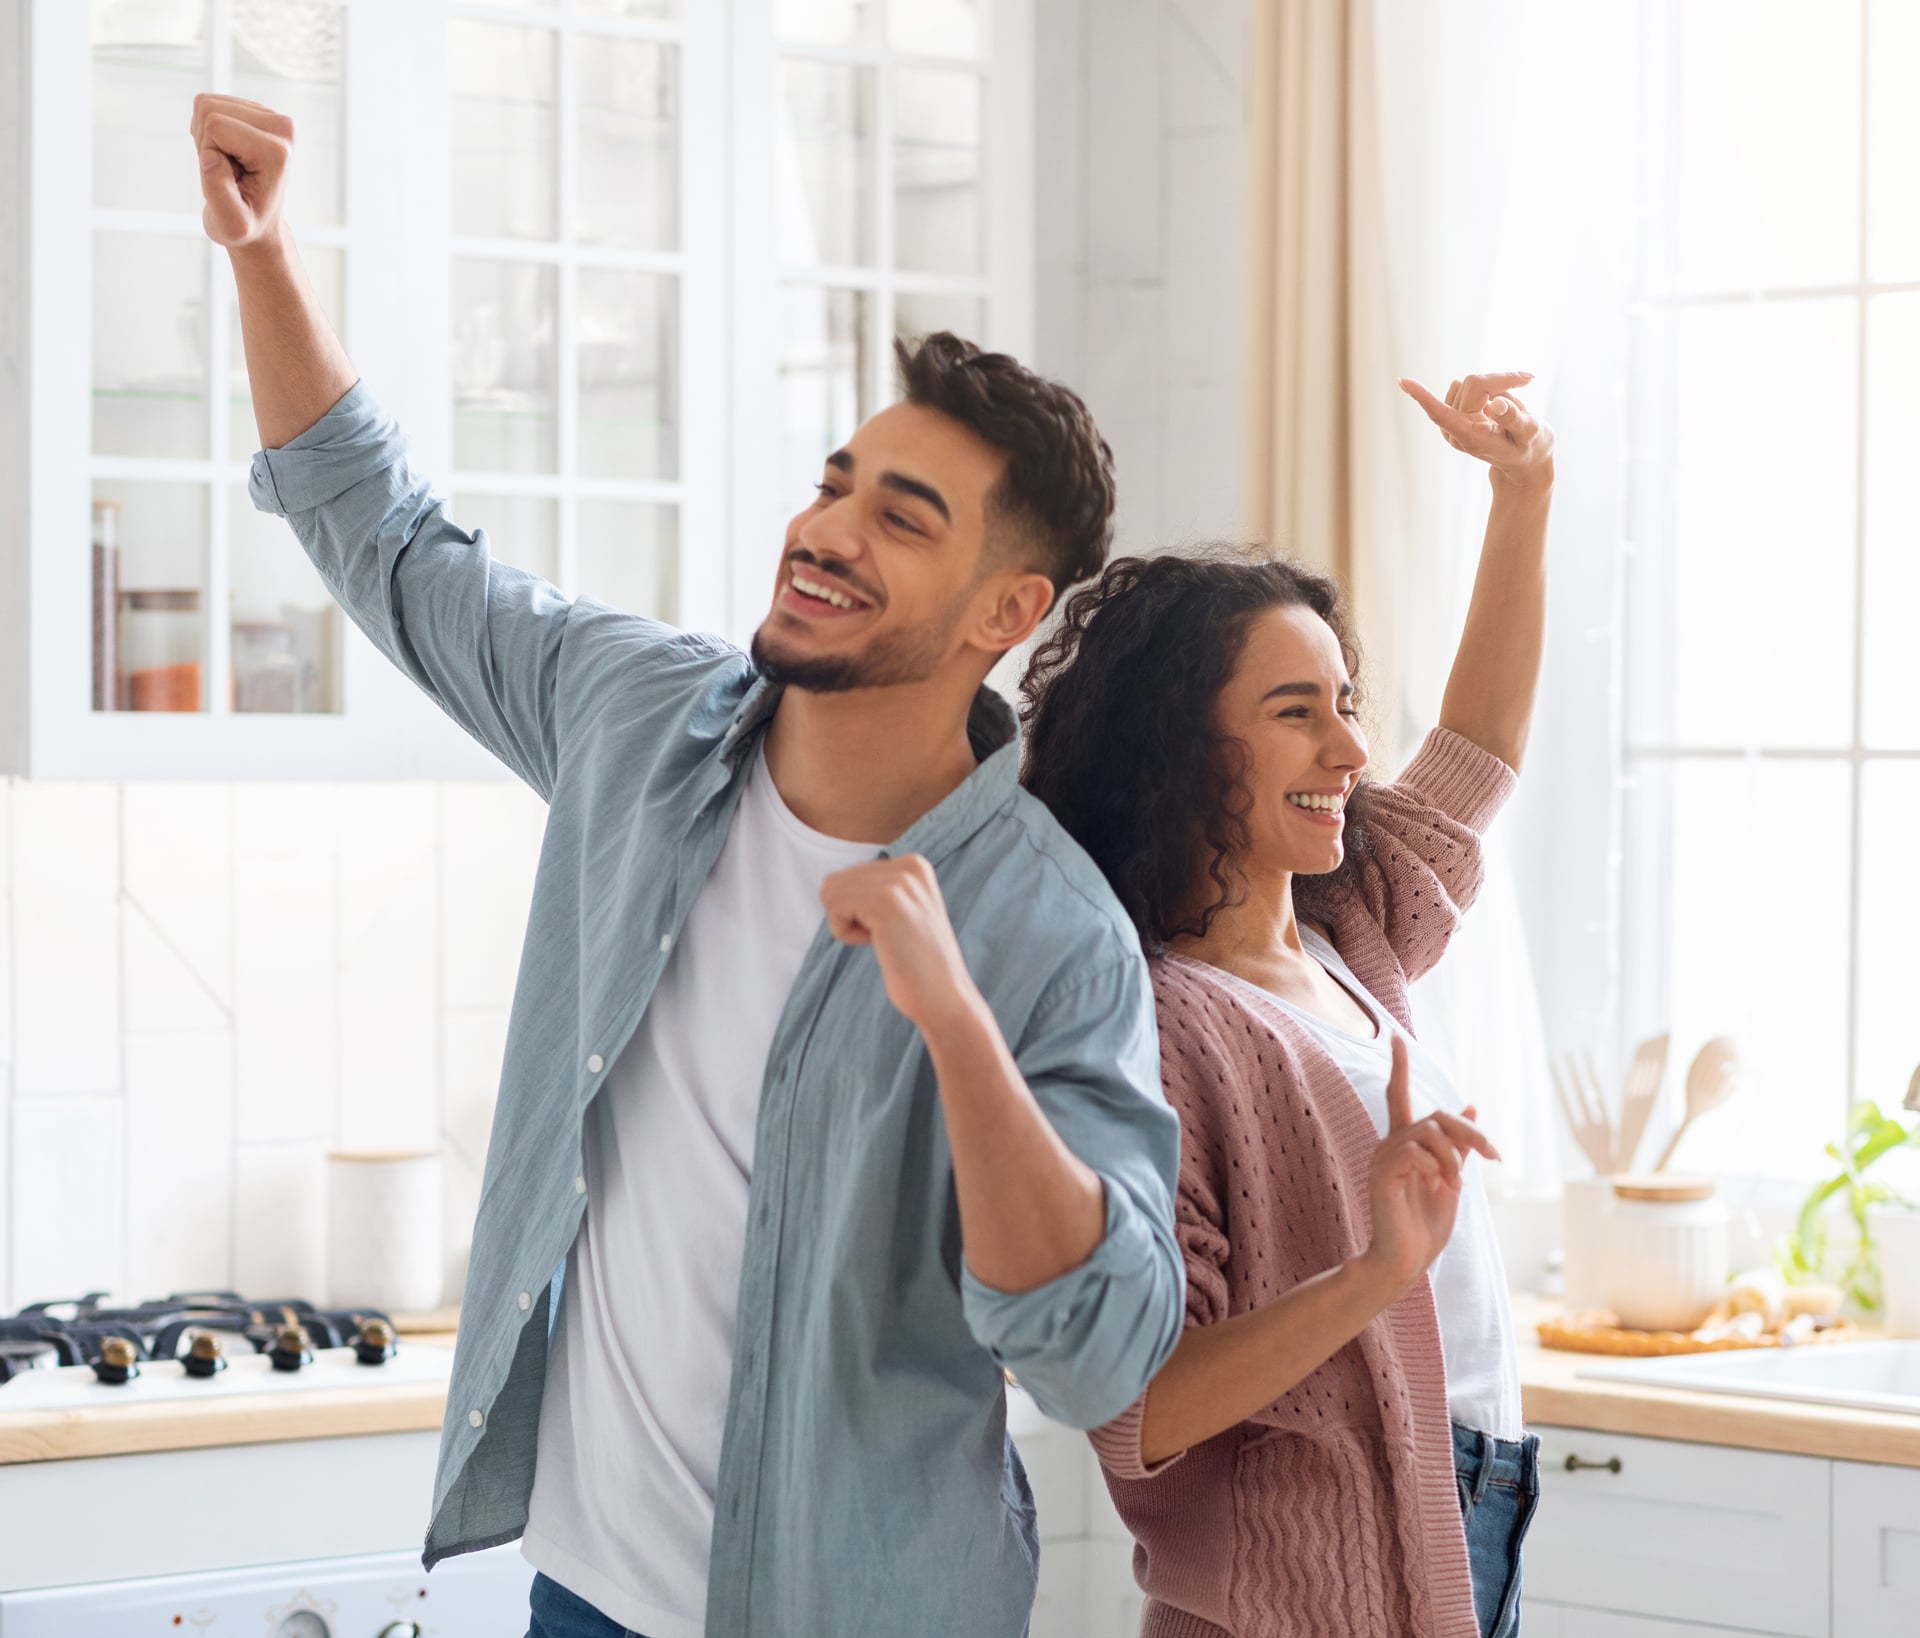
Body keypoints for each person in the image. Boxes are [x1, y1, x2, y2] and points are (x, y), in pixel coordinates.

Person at [190, 93, 1184, 1638]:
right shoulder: (637, 719)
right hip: (583, 1596)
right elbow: (386, 539)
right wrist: (261, 255)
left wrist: (955, 1019)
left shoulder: (1050, 931)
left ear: (1006, 611)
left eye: (899, 518)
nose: (826, 527)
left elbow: (1095, 1345)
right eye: (835, 479)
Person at [1019, 373, 1556, 1638]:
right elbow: (1138, 1403)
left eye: (1348, 703)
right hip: (1304, 1591)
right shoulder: (1148, 1022)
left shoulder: (1350, 933)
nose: (1353, 751)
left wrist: (1522, 492)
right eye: (1296, 712)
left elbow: (1478, 748)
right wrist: (1375, 1274)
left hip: (1471, 1503)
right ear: (1181, 749)